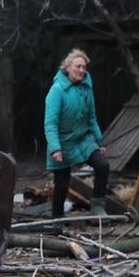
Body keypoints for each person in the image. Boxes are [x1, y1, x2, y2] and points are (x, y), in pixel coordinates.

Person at [44, 48, 108, 219]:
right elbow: (50, 124)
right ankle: (57, 222)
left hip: (83, 139)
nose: (81, 70)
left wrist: (100, 142)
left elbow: (92, 118)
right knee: (62, 185)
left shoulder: (87, 88)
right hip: (62, 142)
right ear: (67, 68)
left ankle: (97, 206)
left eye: (84, 67)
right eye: (77, 66)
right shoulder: (56, 91)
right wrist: (55, 148)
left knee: (103, 165)